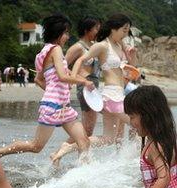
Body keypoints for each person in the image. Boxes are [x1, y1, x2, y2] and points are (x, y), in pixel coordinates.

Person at [0, 14, 92, 160]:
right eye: (66, 33)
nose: (67, 36)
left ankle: (84, 176)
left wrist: (55, 90)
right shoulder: (56, 50)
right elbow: (61, 76)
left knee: (84, 141)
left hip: (63, 106)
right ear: (58, 33)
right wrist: (84, 82)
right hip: (53, 107)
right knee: (36, 146)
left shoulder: (44, 51)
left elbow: (38, 79)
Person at [50, 14, 137, 165]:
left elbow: (133, 66)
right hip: (111, 96)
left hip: (117, 95)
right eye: (123, 30)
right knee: (138, 125)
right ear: (113, 29)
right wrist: (76, 79)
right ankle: (135, 163)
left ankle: (67, 147)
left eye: (127, 31)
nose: (125, 34)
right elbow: (80, 60)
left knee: (108, 139)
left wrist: (132, 55)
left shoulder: (120, 45)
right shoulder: (102, 46)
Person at [118, 86, 177, 188]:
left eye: (132, 117)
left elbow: (164, 177)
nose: (131, 123)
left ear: (148, 115)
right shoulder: (166, 139)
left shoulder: (155, 146)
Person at [50, 15, 101, 165]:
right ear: (87, 30)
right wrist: (78, 77)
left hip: (93, 86)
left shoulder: (94, 45)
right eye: (96, 28)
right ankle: (74, 158)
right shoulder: (78, 47)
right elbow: (64, 65)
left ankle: (65, 154)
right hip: (85, 87)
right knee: (88, 129)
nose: (98, 30)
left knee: (86, 129)